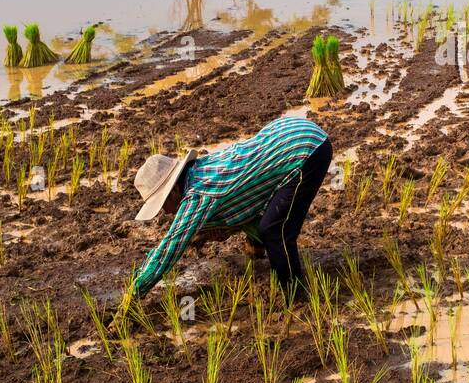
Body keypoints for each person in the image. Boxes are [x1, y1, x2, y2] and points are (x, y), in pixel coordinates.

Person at [129, 116, 331, 299]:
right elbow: (247, 205)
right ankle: (258, 250)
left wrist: (135, 291)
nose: (166, 212)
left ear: (173, 191)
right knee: (267, 222)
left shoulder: (199, 195)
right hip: (289, 129)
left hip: (305, 149)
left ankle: (295, 295)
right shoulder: (200, 169)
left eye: (163, 203)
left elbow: (169, 248)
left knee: (275, 231)